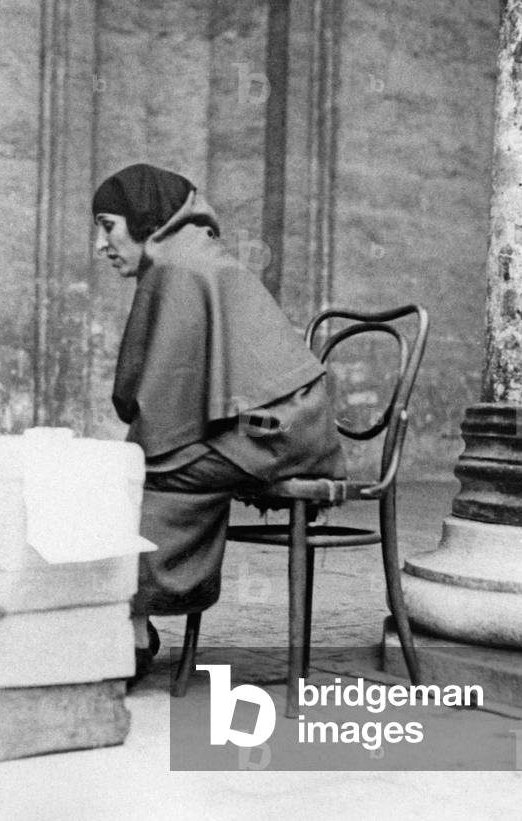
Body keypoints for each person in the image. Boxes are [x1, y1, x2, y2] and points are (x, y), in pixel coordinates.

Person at [92, 163, 346, 676]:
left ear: (143, 220)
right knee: (143, 466)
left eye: (107, 225)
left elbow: (155, 395)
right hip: (287, 427)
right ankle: (135, 620)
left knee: (137, 476)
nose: (101, 244)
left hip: (274, 435)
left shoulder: (176, 267)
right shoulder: (189, 251)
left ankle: (131, 630)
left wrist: (127, 452)